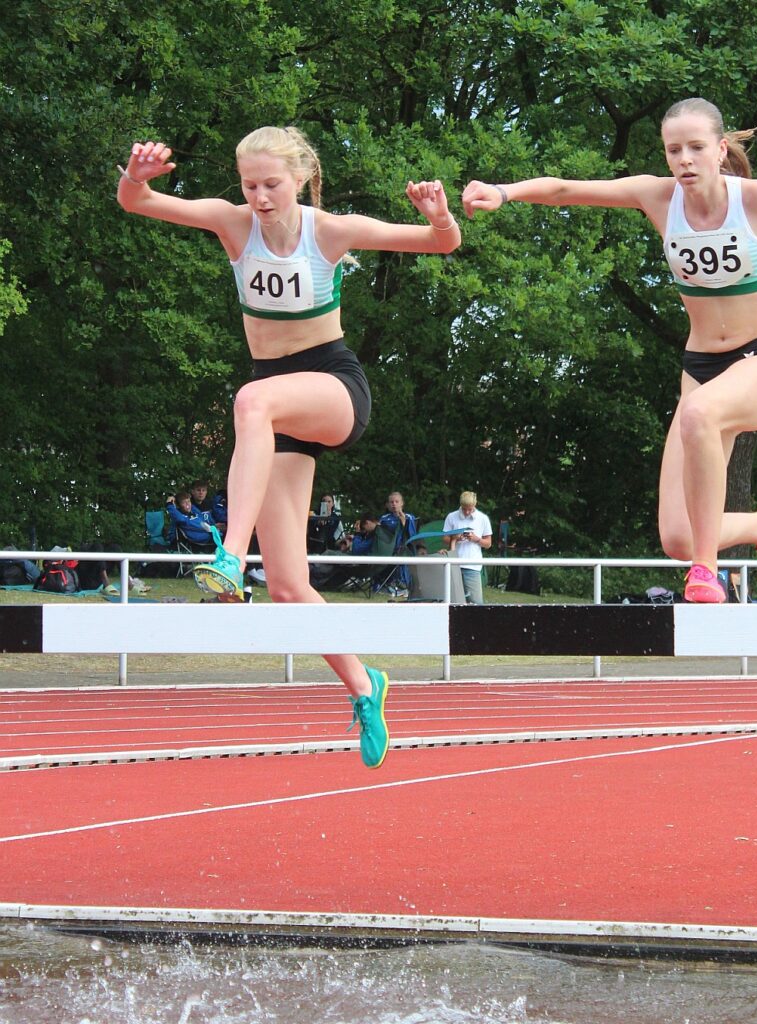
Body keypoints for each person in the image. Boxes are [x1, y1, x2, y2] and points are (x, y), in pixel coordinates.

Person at [462, 97, 757, 604]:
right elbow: (565, 189)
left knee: (699, 416)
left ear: (720, 150)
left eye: (695, 148)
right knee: (678, 535)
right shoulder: (658, 198)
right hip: (701, 367)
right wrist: (503, 192)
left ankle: (706, 571)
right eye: (673, 149)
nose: (683, 159)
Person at [118, 126, 460, 768]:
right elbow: (135, 204)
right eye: (249, 185)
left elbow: (441, 244)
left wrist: (438, 217)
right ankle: (366, 686)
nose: (260, 197)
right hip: (275, 408)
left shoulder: (328, 231)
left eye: (272, 184)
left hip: (332, 387)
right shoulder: (232, 224)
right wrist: (137, 175)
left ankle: (228, 555)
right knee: (287, 584)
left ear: (300, 178)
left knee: (252, 401)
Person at [443, 491, 493, 604]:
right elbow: (444, 539)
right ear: (460, 505)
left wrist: (476, 539)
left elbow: (488, 544)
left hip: (473, 566)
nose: (466, 512)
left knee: (476, 603)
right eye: (464, 508)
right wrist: (456, 538)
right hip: (454, 564)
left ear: (474, 505)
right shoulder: (451, 516)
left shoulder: (483, 518)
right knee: (453, 601)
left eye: (469, 509)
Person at [379, 491, 418, 596]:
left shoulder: (410, 517)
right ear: (387, 504)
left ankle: (404, 586)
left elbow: (413, 536)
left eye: (396, 501)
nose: (394, 504)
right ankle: (386, 585)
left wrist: (404, 522)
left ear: (402, 503)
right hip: (388, 549)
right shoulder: (384, 519)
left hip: (405, 549)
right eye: (391, 502)